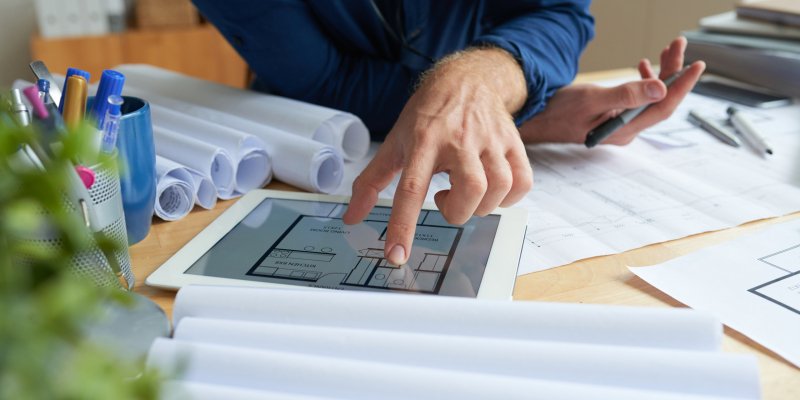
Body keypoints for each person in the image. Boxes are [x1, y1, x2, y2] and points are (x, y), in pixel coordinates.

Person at [192, 0, 705, 266]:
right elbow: (327, 79)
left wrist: (486, 83)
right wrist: (528, 114)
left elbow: (556, 12)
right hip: (313, 146)